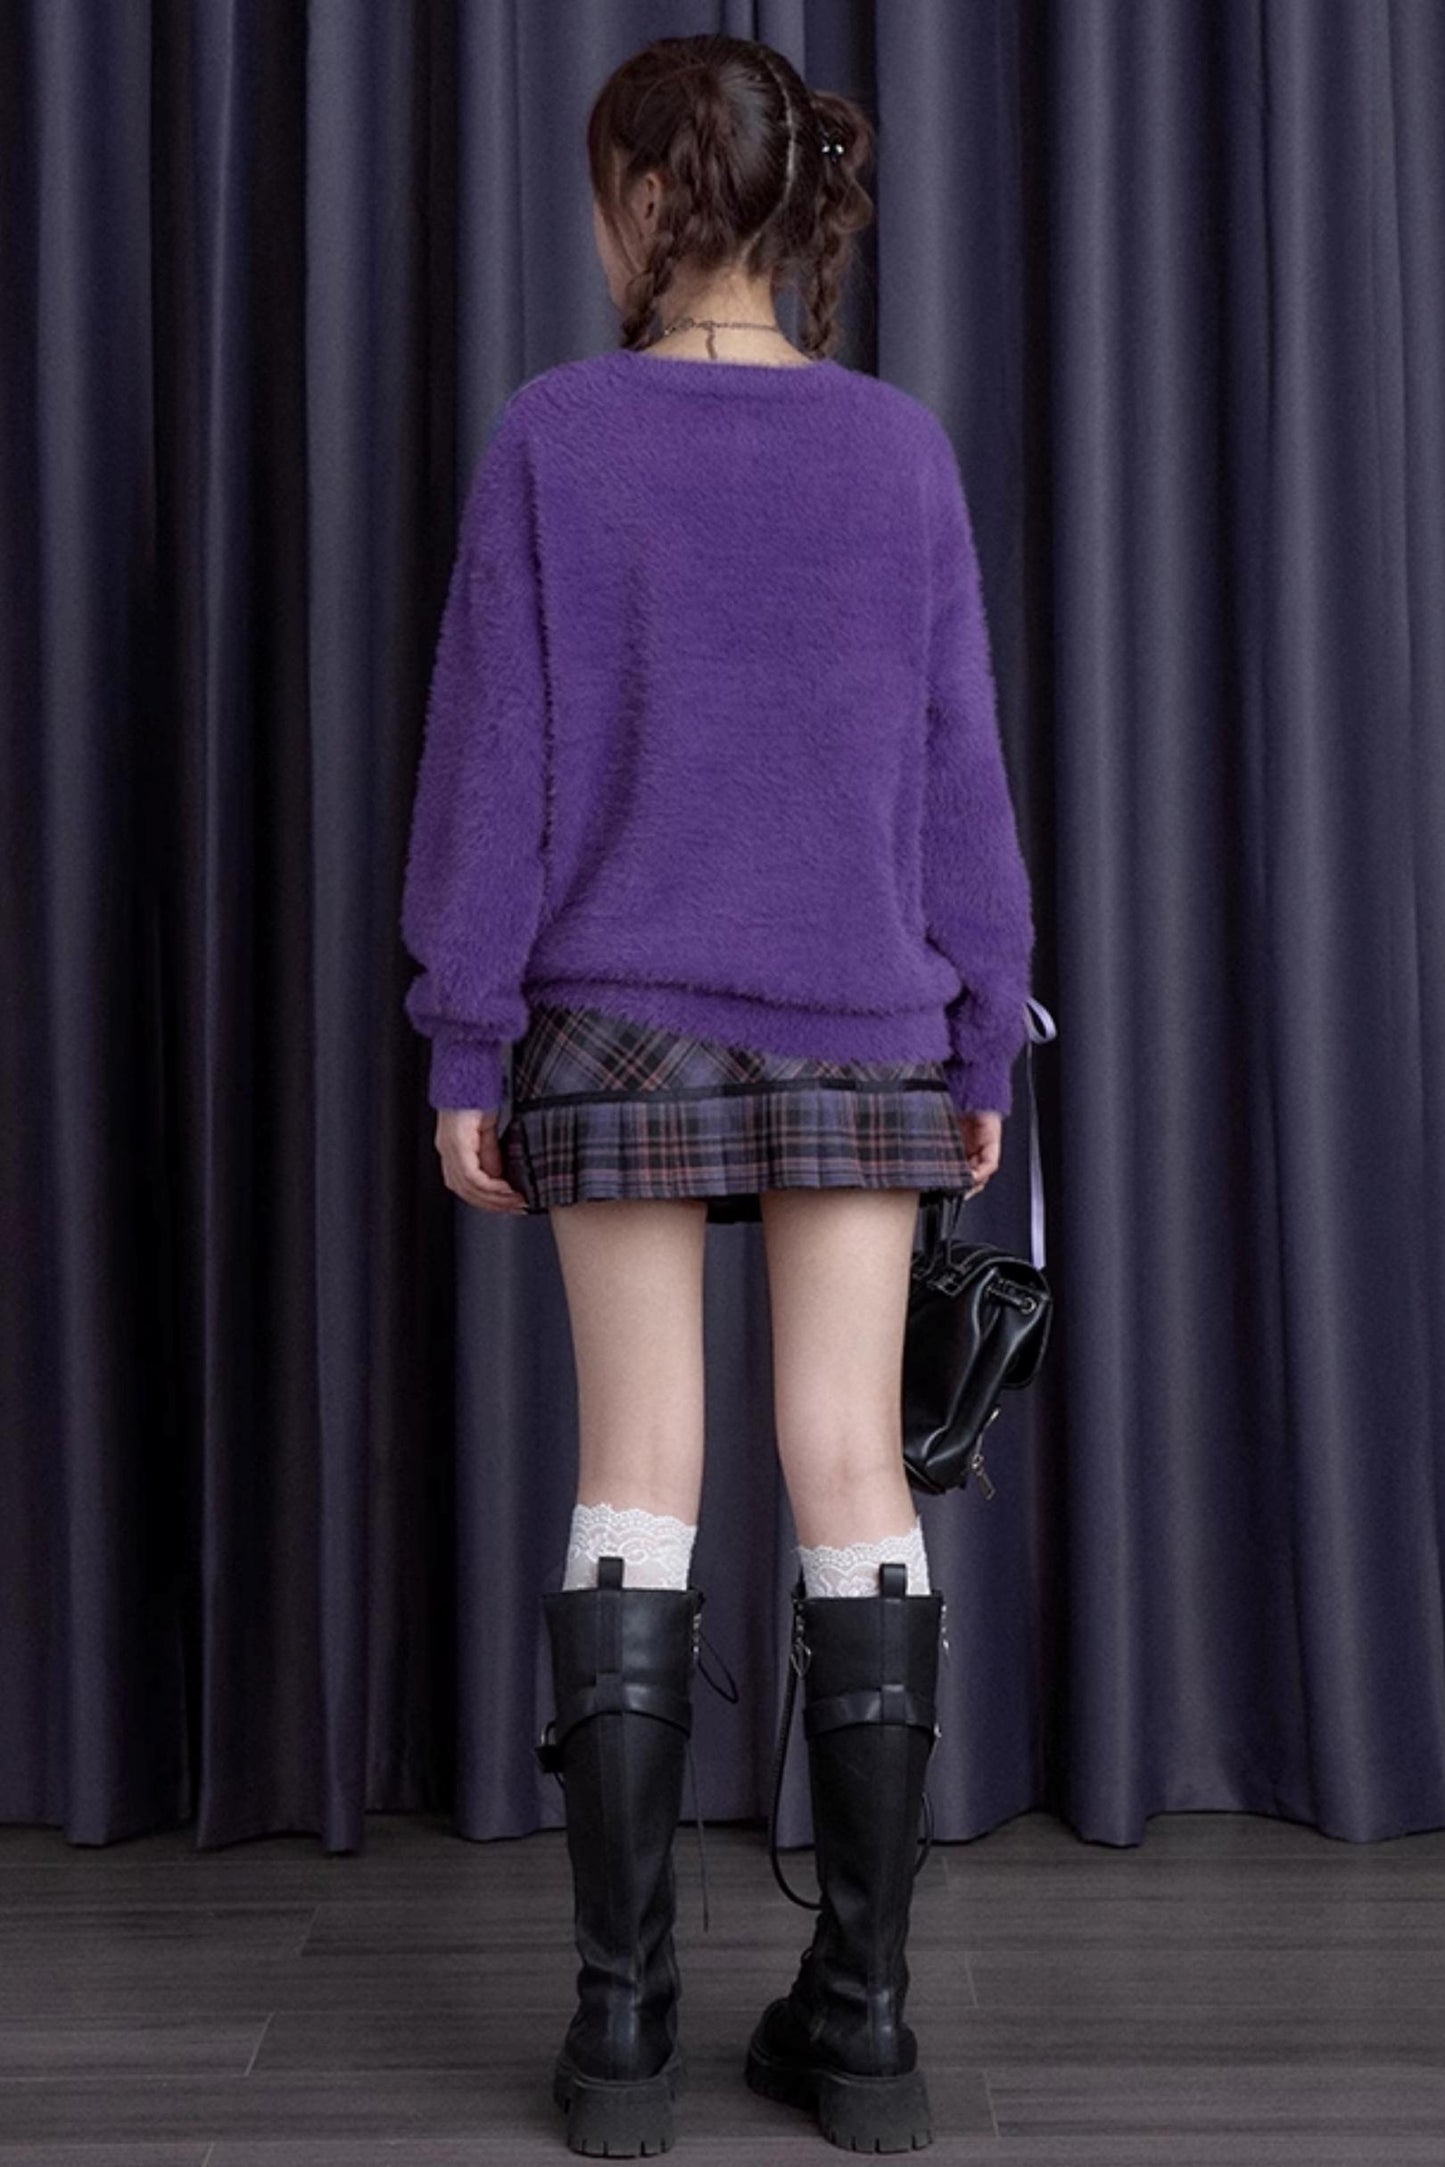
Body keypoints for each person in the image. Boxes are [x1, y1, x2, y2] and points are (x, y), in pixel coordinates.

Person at [399, 31, 1036, 2158]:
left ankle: (620, 2037)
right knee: (854, 1464)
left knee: (637, 1470)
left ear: (653, 199)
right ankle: (864, 2024)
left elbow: (493, 767)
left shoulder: (557, 436)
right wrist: (984, 1026)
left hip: (614, 1030)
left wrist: (466, 1033)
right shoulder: (897, 451)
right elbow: (959, 773)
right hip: (862, 1019)